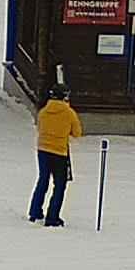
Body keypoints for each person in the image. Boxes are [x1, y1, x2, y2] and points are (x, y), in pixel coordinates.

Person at [31, 80, 82, 226]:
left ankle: (35, 211)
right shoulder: (69, 113)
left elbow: (39, 127)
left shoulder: (43, 111)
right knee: (59, 184)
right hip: (59, 152)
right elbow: (77, 133)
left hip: (42, 150)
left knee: (42, 180)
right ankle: (52, 217)